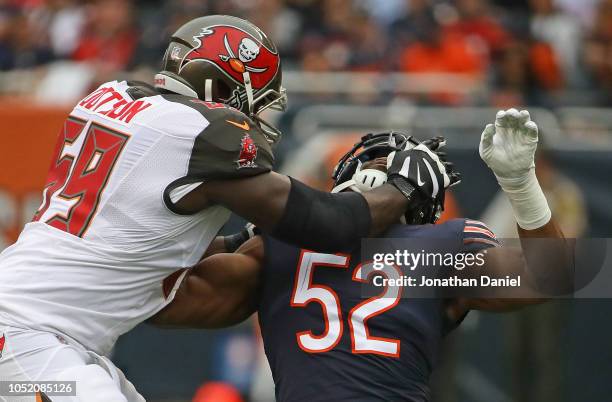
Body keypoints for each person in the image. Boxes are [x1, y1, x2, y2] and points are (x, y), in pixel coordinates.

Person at [0, 15, 454, 402]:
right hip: (28, 335)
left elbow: (145, 241)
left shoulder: (115, 96)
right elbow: (329, 224)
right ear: (224, 84)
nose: (259, 115)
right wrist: (402, 186)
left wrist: (245, 238)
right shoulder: (197, 131)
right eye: (259, 97)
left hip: (38, 332)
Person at [152, 109, 573, 401]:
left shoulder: (276, 246)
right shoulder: (439, 249)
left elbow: (157, 290)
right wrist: (521, 185)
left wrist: (238, 233)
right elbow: (554, 276)